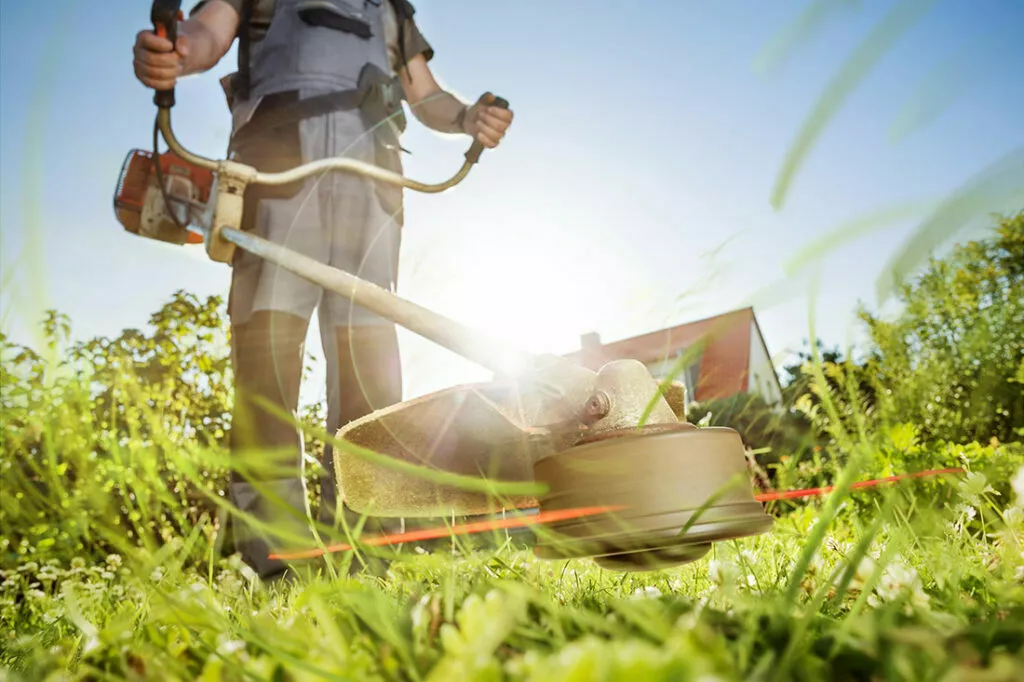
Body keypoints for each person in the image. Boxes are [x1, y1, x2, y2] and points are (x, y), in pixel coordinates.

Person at [132, 0, 514, 582]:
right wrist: (177, 54)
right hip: (278, 167)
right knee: (268, 369)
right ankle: (276, 568)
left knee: (373, 380)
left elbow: (425, 93)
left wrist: (467, 118)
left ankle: (371, 561)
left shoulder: (390, 8)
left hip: (374, 179)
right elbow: (205, 33)